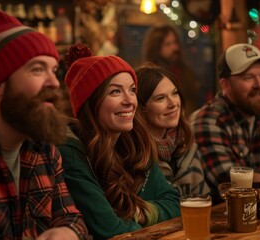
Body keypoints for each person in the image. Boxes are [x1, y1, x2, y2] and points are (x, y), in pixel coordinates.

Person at [0, 10, 88, 239]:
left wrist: (66, 231)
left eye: (53, 70)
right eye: (37, 69)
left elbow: (72, 217)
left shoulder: (43, 146)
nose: (53, 82)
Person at [57, 43, 180, 239]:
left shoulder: (134, 142)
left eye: (132, 90)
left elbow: (175, 203)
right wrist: (154, 218)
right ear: (90, 103)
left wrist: (139, 212)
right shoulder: (70, 152)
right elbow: (112, 231)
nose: (129, 100)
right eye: (115, 92)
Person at [189, 43, 260, 204]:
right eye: (248, 77)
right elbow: (233, 182)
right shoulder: (208, 121)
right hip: (225, 221)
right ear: (225, 85)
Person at [135, 63, 210, 196]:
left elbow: (203, 199)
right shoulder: (136, 153)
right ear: (142, 108)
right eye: (160, 98)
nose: (173, 103)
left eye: (174, 93)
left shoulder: (186, 144)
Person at [142, 25, 197, 115]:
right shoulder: (150, 77)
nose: (175, 48)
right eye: (168, 44)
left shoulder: (186, 72)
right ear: (156, 48)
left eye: (175, 42)